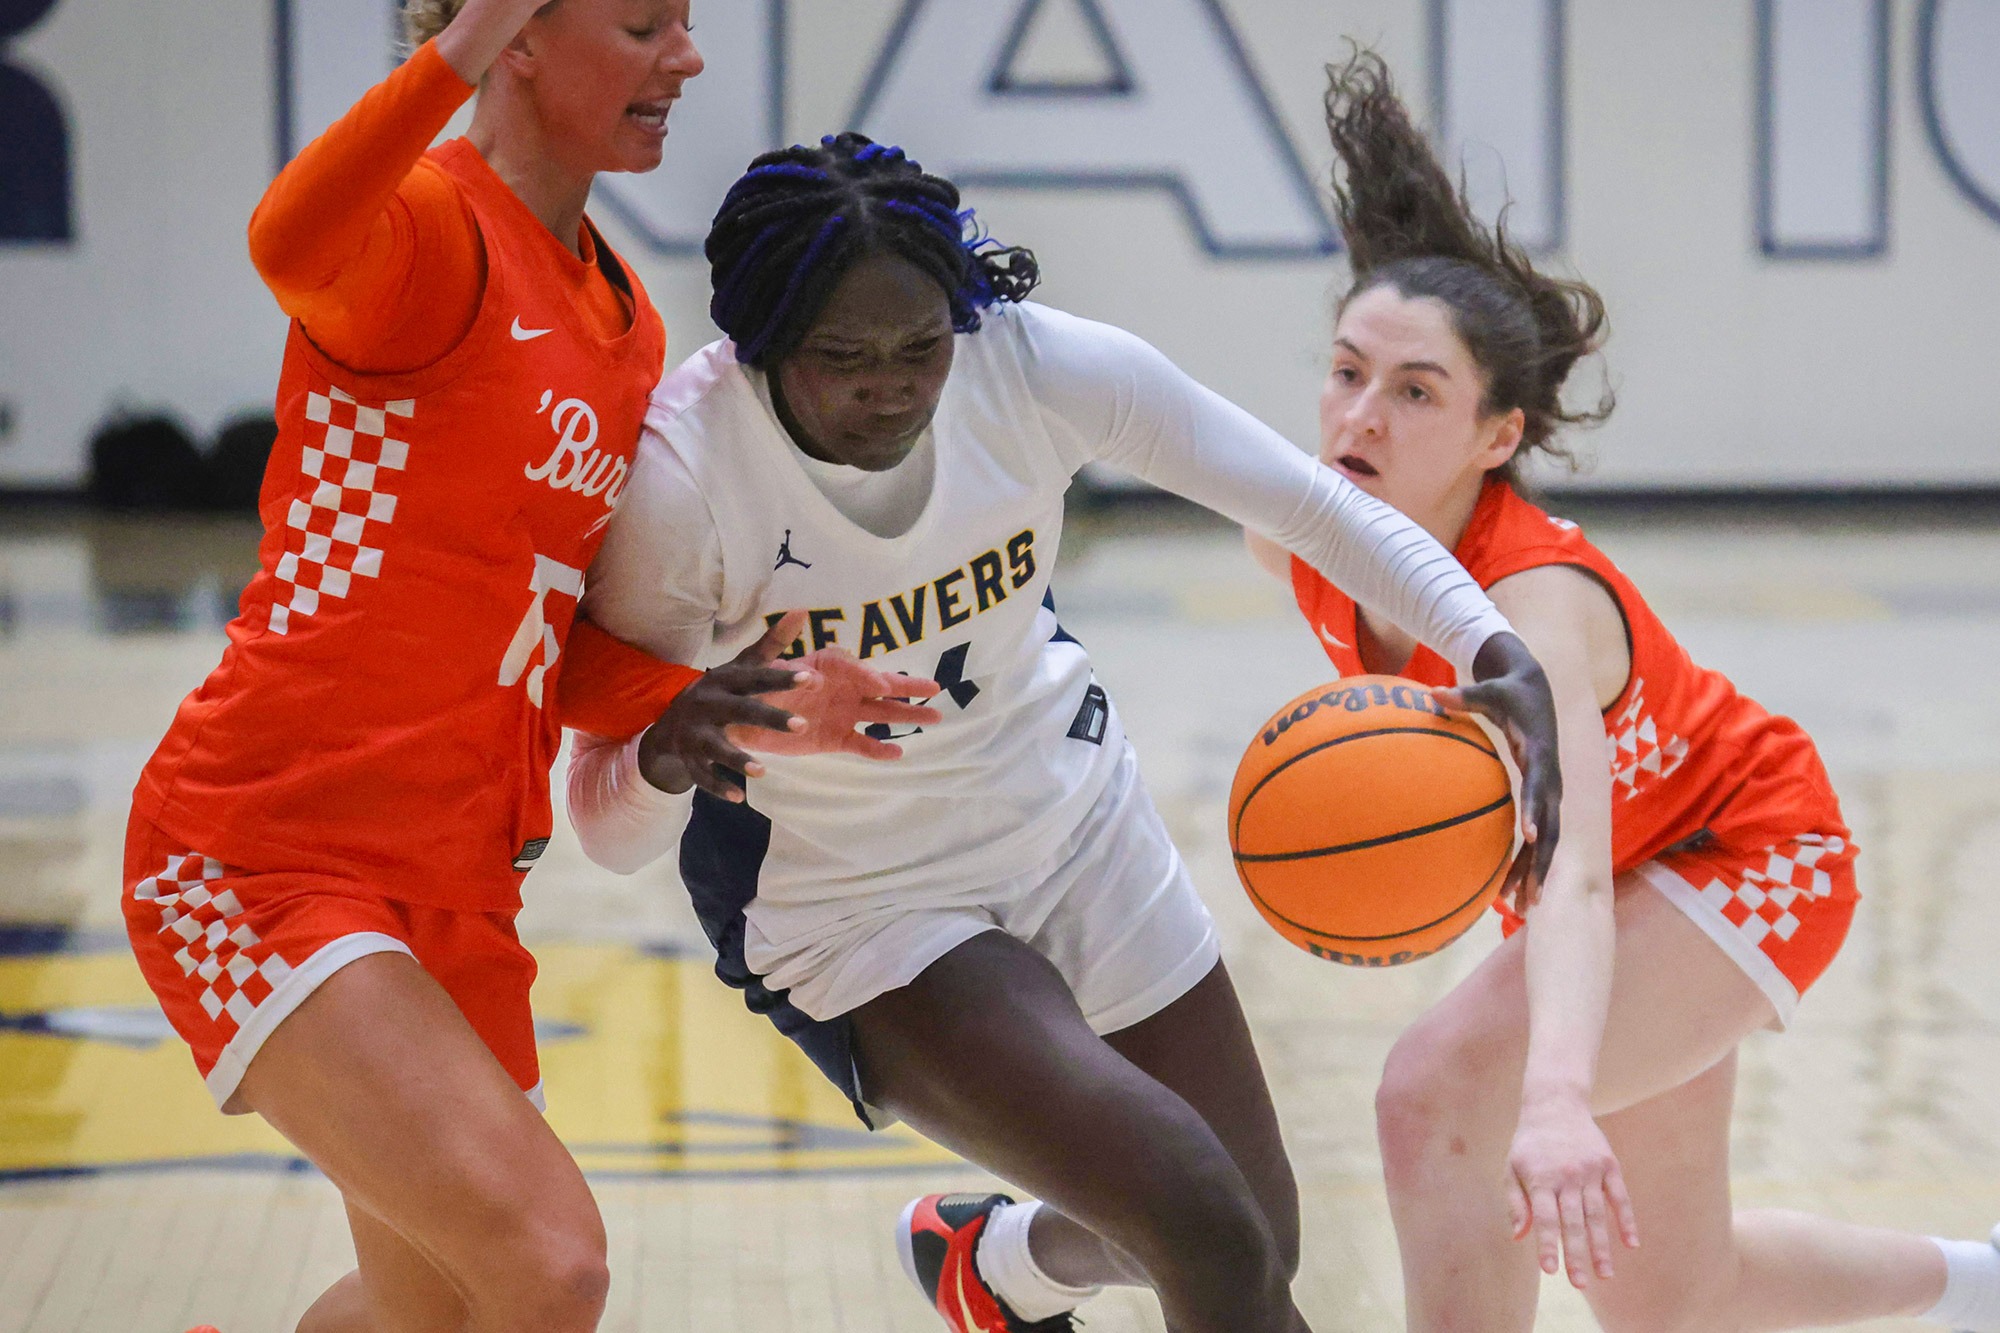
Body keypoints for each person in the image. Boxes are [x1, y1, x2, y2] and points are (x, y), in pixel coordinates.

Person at [563, 130, 1565, 1333]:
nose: (891, 383)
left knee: (1252, 1230)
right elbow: (605, 826)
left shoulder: (1029, 367)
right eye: (844, 358)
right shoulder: (684, 485)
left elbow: (1301, 501)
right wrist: (674, 744)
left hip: (1073, 817)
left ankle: (997, 1269)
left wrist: (1491, 645)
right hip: (858, 899)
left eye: (919, 346)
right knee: (1198, 1218)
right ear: (761, 343)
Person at [114, 5, 866, 1330]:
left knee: (437, 1312)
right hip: (268, 849)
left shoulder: (622, 320)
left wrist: (718, 704)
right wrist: (449, 49)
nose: (685, 60)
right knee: (553, 1263)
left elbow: (543, 639)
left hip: (458, 890)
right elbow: (286, 237)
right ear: (513, 34)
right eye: (642, 24)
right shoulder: (423, 234)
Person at [1248, 49, 2000, 1333]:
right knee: (1669, 1298)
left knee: (1433, 1096)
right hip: (1605, 889)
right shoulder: (1295, 531)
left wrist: (1549, 1096)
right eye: (1344, 370)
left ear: (1497, 440)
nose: (1357, 414)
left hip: (1743, 853)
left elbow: (1581, 874)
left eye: (1414, 390)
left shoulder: (1532, 607)